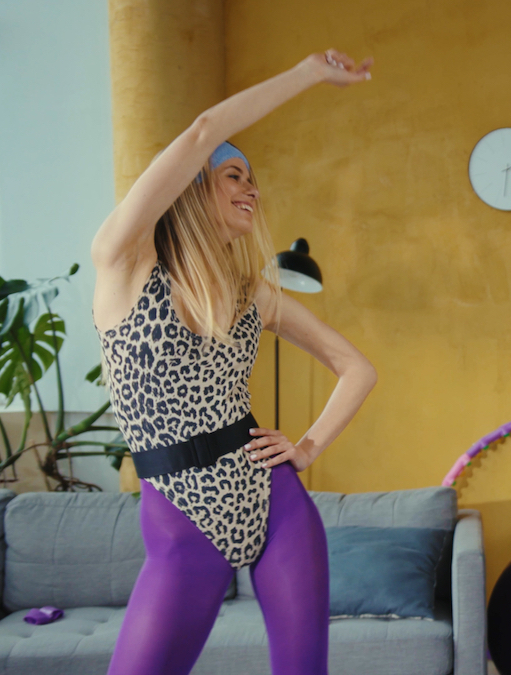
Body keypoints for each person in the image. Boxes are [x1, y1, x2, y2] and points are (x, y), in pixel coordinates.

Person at [91, 49, 377, 675]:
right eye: (233, 175)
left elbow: (357, 367)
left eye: (253, 177)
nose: (251, 187)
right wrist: (307, 75)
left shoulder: (254, 294)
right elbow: (202, 132)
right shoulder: (124, 261)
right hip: (179, 514)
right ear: (195, 185)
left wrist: (306, 448)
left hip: (275, 502)